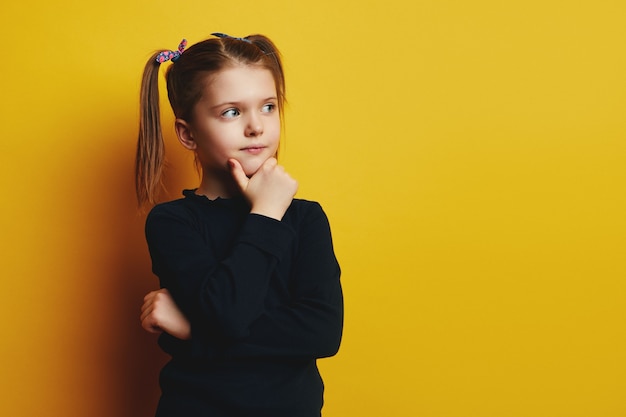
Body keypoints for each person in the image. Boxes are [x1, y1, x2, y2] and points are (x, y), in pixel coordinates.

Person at [135, 33, 344, 417]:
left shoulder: (306, 218)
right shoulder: (173, 223)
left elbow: (322, 333)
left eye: (267, 107)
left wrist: (192, 330)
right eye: (231, 112)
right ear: (188, 133)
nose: (255, 127)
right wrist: (265, 213)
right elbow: (227, 313)